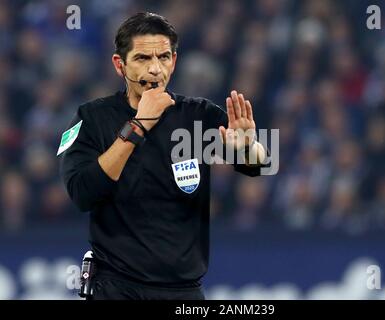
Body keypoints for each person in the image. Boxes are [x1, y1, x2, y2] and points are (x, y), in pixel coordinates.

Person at [58, 12, 269, 300]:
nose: (156, 69)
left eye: (164, 57)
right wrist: (138, 125)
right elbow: (82, 193)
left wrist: (247, 145)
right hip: (116, 288)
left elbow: (259, 166)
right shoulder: (91, 118)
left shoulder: (198, 115)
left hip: (183, 293)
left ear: (175, 61)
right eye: (143, 58)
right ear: (120, 65)